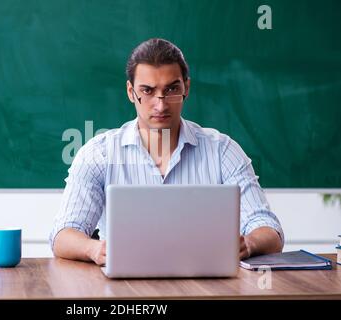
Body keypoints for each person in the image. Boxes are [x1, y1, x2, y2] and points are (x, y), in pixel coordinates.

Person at [49, 38, 284, 266]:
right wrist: (95, 249)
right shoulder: (98, 154)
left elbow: (268, 228)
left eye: (171, 89)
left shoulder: (223, 151)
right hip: (124, 292)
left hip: (209, 289)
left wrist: (249, 243)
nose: (160, 105)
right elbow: (63, 234)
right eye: (148, 91)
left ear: (186, 88)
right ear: (131, 92)